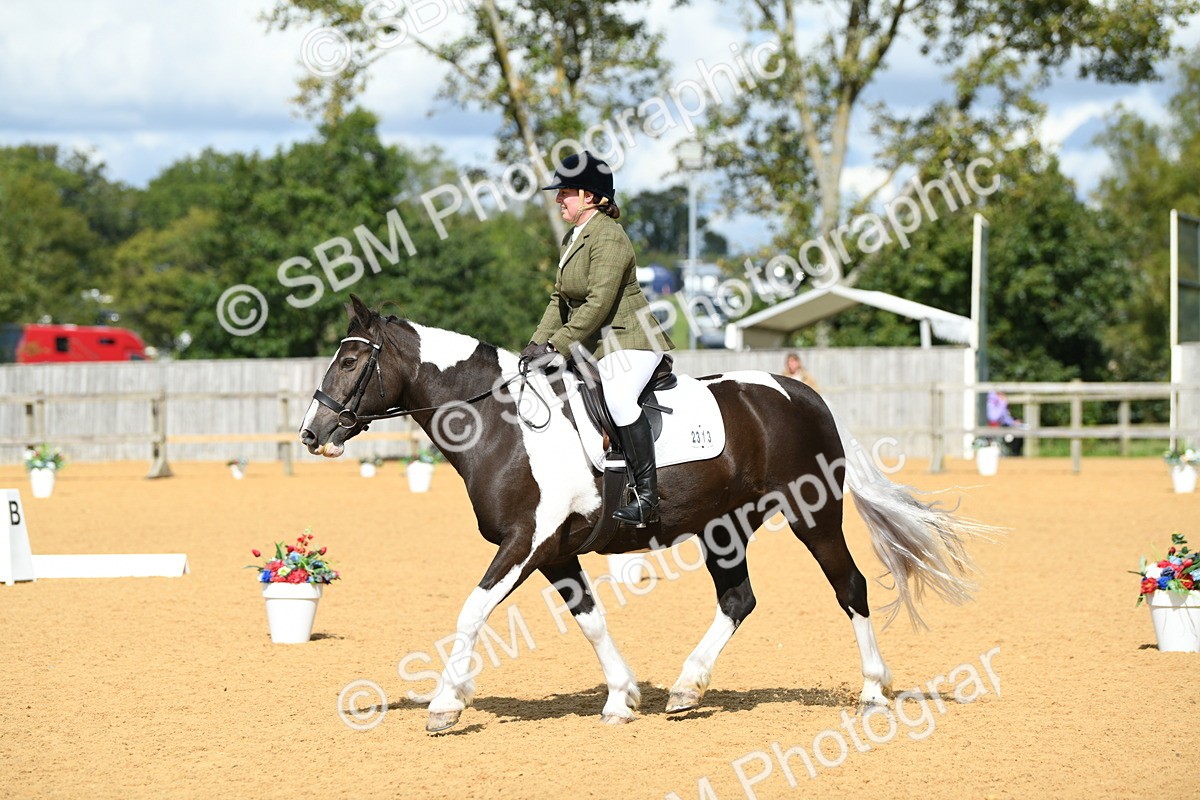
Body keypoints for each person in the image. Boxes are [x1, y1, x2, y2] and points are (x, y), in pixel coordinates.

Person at [521, 151, 674, 526]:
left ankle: (647, 496)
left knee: (620, 400)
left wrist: (556, 345)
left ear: (589, 196)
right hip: (594, 343)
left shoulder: (610, 238)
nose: (559, 198)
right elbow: (560, 299)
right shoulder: (574, 237)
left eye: (565, 192)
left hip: (631, 341)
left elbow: (598, 303)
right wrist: (534, 343)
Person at [986, 390, 1024, 456]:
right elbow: (994, 417)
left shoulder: (1001, 402)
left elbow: (1006, 418)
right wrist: (1002, 403)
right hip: (994, 426)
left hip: (1003, 425)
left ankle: (1015, 454)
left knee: (1020, 430)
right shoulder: (992, 401)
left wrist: (1014, 422)